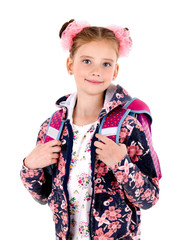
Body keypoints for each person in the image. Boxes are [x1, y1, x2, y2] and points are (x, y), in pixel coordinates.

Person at [20, 19, 161, 240]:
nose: (96, 71)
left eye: (106, 64)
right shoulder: (53, 127)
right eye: (87, 61)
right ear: (70, 65)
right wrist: (29, 167)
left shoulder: (127, 126)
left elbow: (149, 198)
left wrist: (121, 164)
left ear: (115, 71)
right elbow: (42, 195)